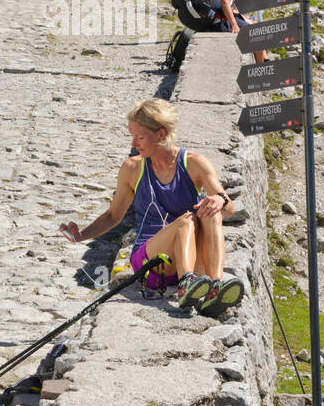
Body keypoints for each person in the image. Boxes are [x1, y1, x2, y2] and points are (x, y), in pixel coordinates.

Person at [59, 99, 244, 317]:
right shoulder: (132, 169)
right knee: (188, 220)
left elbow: (229, 208)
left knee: (211, 211)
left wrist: (220, 200)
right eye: (132, 136)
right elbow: (113, 215)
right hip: (152, 264)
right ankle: (186, 285)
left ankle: (215, 287)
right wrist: (81, 235)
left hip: (192, 262)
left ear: (161, 134)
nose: (133, 144)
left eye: (140, 137)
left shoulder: (195, 163)